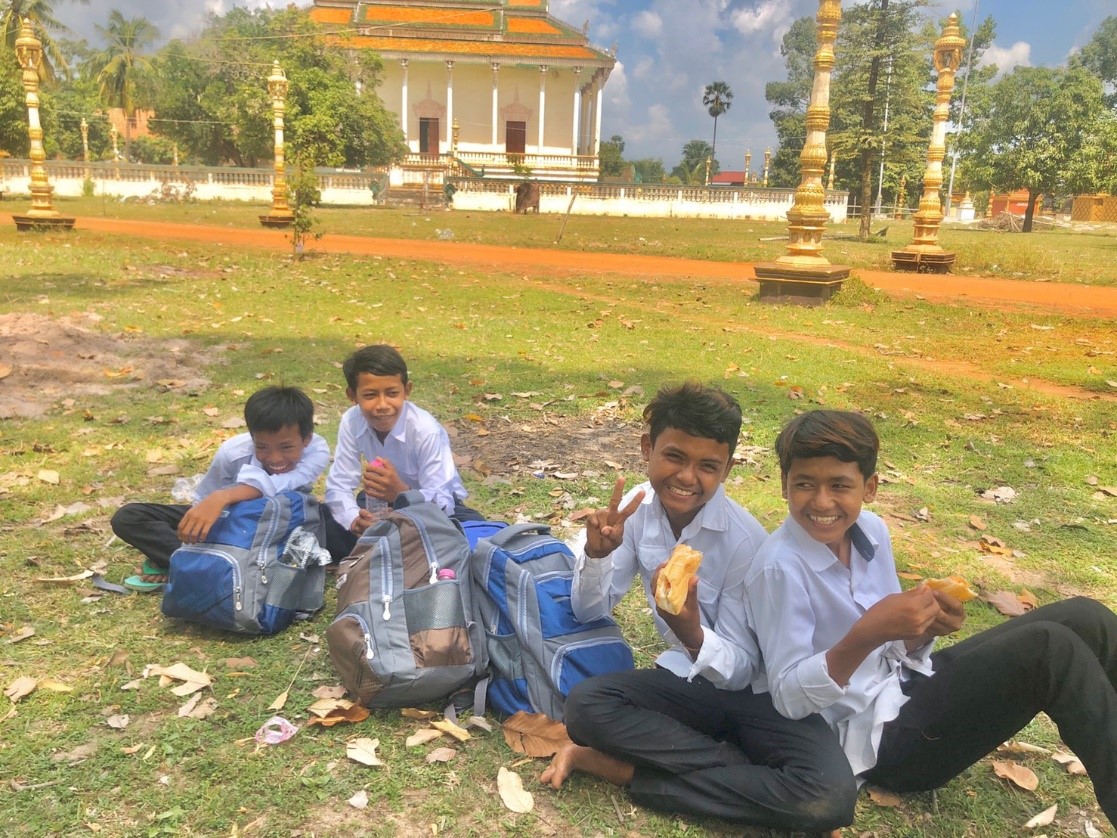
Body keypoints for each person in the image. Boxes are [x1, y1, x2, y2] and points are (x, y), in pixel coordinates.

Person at [746, 409, 1117, 826]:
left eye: (839, 485)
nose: (821, 502)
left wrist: (922, 631)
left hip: (906, 685)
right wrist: (864, 636)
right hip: (878, 739)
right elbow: (788, 699)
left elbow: (893, 647)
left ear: (870, 487)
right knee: (1050, 649)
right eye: (804, 484)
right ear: (784, 485)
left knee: (1086, 616)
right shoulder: (778, 568)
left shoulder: (871, 531)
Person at [541, 382, 857, 835]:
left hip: (764, 696)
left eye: (708, 466)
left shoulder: (746, 543)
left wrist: (691, 633)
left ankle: (630, 772)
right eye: (675, 457)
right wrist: (596, 556)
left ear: (727, 469)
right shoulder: (636, 512)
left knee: (831, 799)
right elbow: (589, 611)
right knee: (586, 706)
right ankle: (754, 777)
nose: (687, 478)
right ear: (647, 448)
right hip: (690, 686)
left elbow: (745, 670)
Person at [111, 385, 330, 592]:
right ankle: (201, 564)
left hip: (286, 523)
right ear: (252, 437)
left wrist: (223, 497)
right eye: (262, 447)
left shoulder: (317, 450)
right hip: (230, 522)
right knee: (128, 518)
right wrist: (214, 505)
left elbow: (279, 484)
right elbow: (204, 504)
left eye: (286, 447)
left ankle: (191, 565)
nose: (275, 458)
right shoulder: (232, 453)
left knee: (331, 527)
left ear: (306, 439)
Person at [323, 344, 480, 560]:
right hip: (381, 502)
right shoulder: (351, 421)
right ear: (352, 395)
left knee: (468, 537)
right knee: (325, 523)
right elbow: (339, 485)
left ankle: (393, 546)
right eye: (370, 395)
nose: (382, 405)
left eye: (392, 393)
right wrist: (354, 520)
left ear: (407, 391)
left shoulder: (425, 429)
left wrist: (401, 494)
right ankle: (394, 545)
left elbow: (443, 499)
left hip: (431, 506)